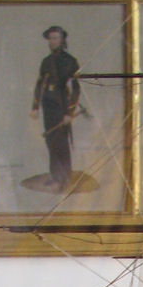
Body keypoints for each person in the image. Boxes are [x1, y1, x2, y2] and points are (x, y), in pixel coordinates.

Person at [31, 25, 80, 189]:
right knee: (51, 141)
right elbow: (40, 84)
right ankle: (55, 176)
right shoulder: (46, 62)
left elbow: (76, 88)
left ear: (62, 40)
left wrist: (69, 112)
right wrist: (35, 107)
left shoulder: (70, 61)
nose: (52, 42)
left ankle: (65, 178)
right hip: (48, 105)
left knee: (61, 142)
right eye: (50, 39)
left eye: (55, 38)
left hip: (62, 105)